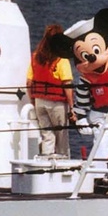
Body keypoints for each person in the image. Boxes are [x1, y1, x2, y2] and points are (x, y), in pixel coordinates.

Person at [26, 24, 74, 157]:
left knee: (47, 136)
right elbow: (67, 85)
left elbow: (29, 82)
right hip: (57, 104)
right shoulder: (61, 59)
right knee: (62, 139)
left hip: (39, 101)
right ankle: (63, 167)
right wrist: (72, 107)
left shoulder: (36, 57)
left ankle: (46, 164)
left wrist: (33, 100)